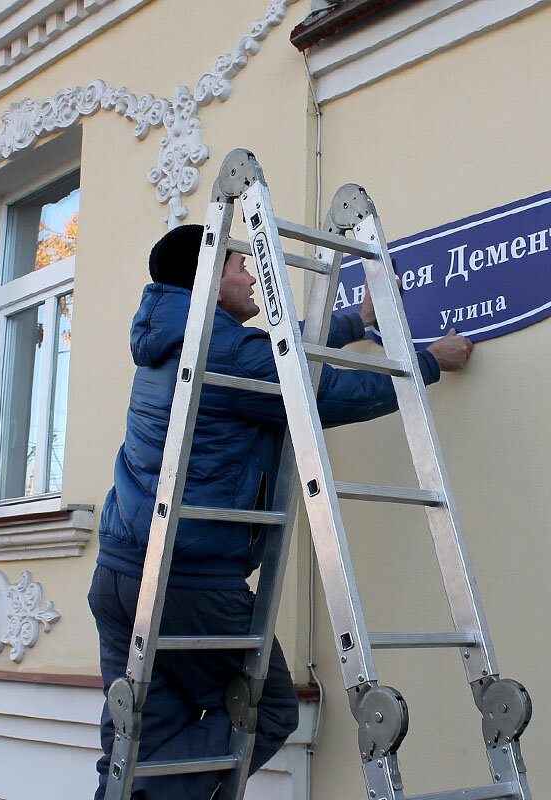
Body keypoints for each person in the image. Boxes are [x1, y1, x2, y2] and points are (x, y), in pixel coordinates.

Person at [89, 224, 473, 800]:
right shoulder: (219, 350)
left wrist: (355, 324)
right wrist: (428, 363)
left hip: (120, 573)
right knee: (265, 711)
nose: (251, 278)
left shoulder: (173, 339)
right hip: (188, 582)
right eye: (239, 266)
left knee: (139, 731)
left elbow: (279, 356)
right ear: (210, 282)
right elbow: (322, 392)